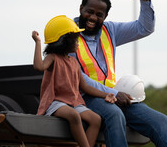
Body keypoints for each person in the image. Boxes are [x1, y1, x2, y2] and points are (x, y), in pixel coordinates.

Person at [70, 0, 167, 147]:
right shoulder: (68, 34)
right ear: (81, 9)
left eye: (99, 14)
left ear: (105, 17)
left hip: (113, 97)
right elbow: (80, 79)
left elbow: (144, 28)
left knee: (161, 121)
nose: (93, 17)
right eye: (90, 12)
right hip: (85, 97)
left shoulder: (110, 30)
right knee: (115, 115)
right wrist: (113, 93)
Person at [32, 15, 117, 147]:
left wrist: (105, 94)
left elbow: (85, 87)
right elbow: (39, 66)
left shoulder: (74, 62)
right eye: (75, 40)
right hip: (56, 102)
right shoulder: (52, 58)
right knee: (74, 116)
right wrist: (37, 42)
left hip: (73, 102)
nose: (78, 43)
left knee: (96, 119)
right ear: (65, 41)